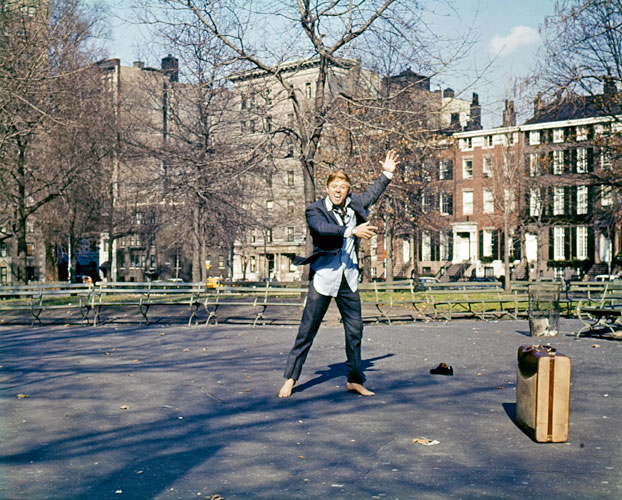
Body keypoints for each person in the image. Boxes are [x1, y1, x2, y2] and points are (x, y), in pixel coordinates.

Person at [278, 150, 400, 398]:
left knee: (355, 332)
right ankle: (291, 377)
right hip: (324, 277)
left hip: (349, 278)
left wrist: (387, 173)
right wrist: (352, 231)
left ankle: (355, 380)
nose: (338, 191)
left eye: (343, 187)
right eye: (334, 186)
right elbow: (322, 229)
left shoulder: (354, 204)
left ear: (347, 191)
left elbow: (372, 194)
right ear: (327, 188)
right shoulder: (315, 210)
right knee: (307, 331)